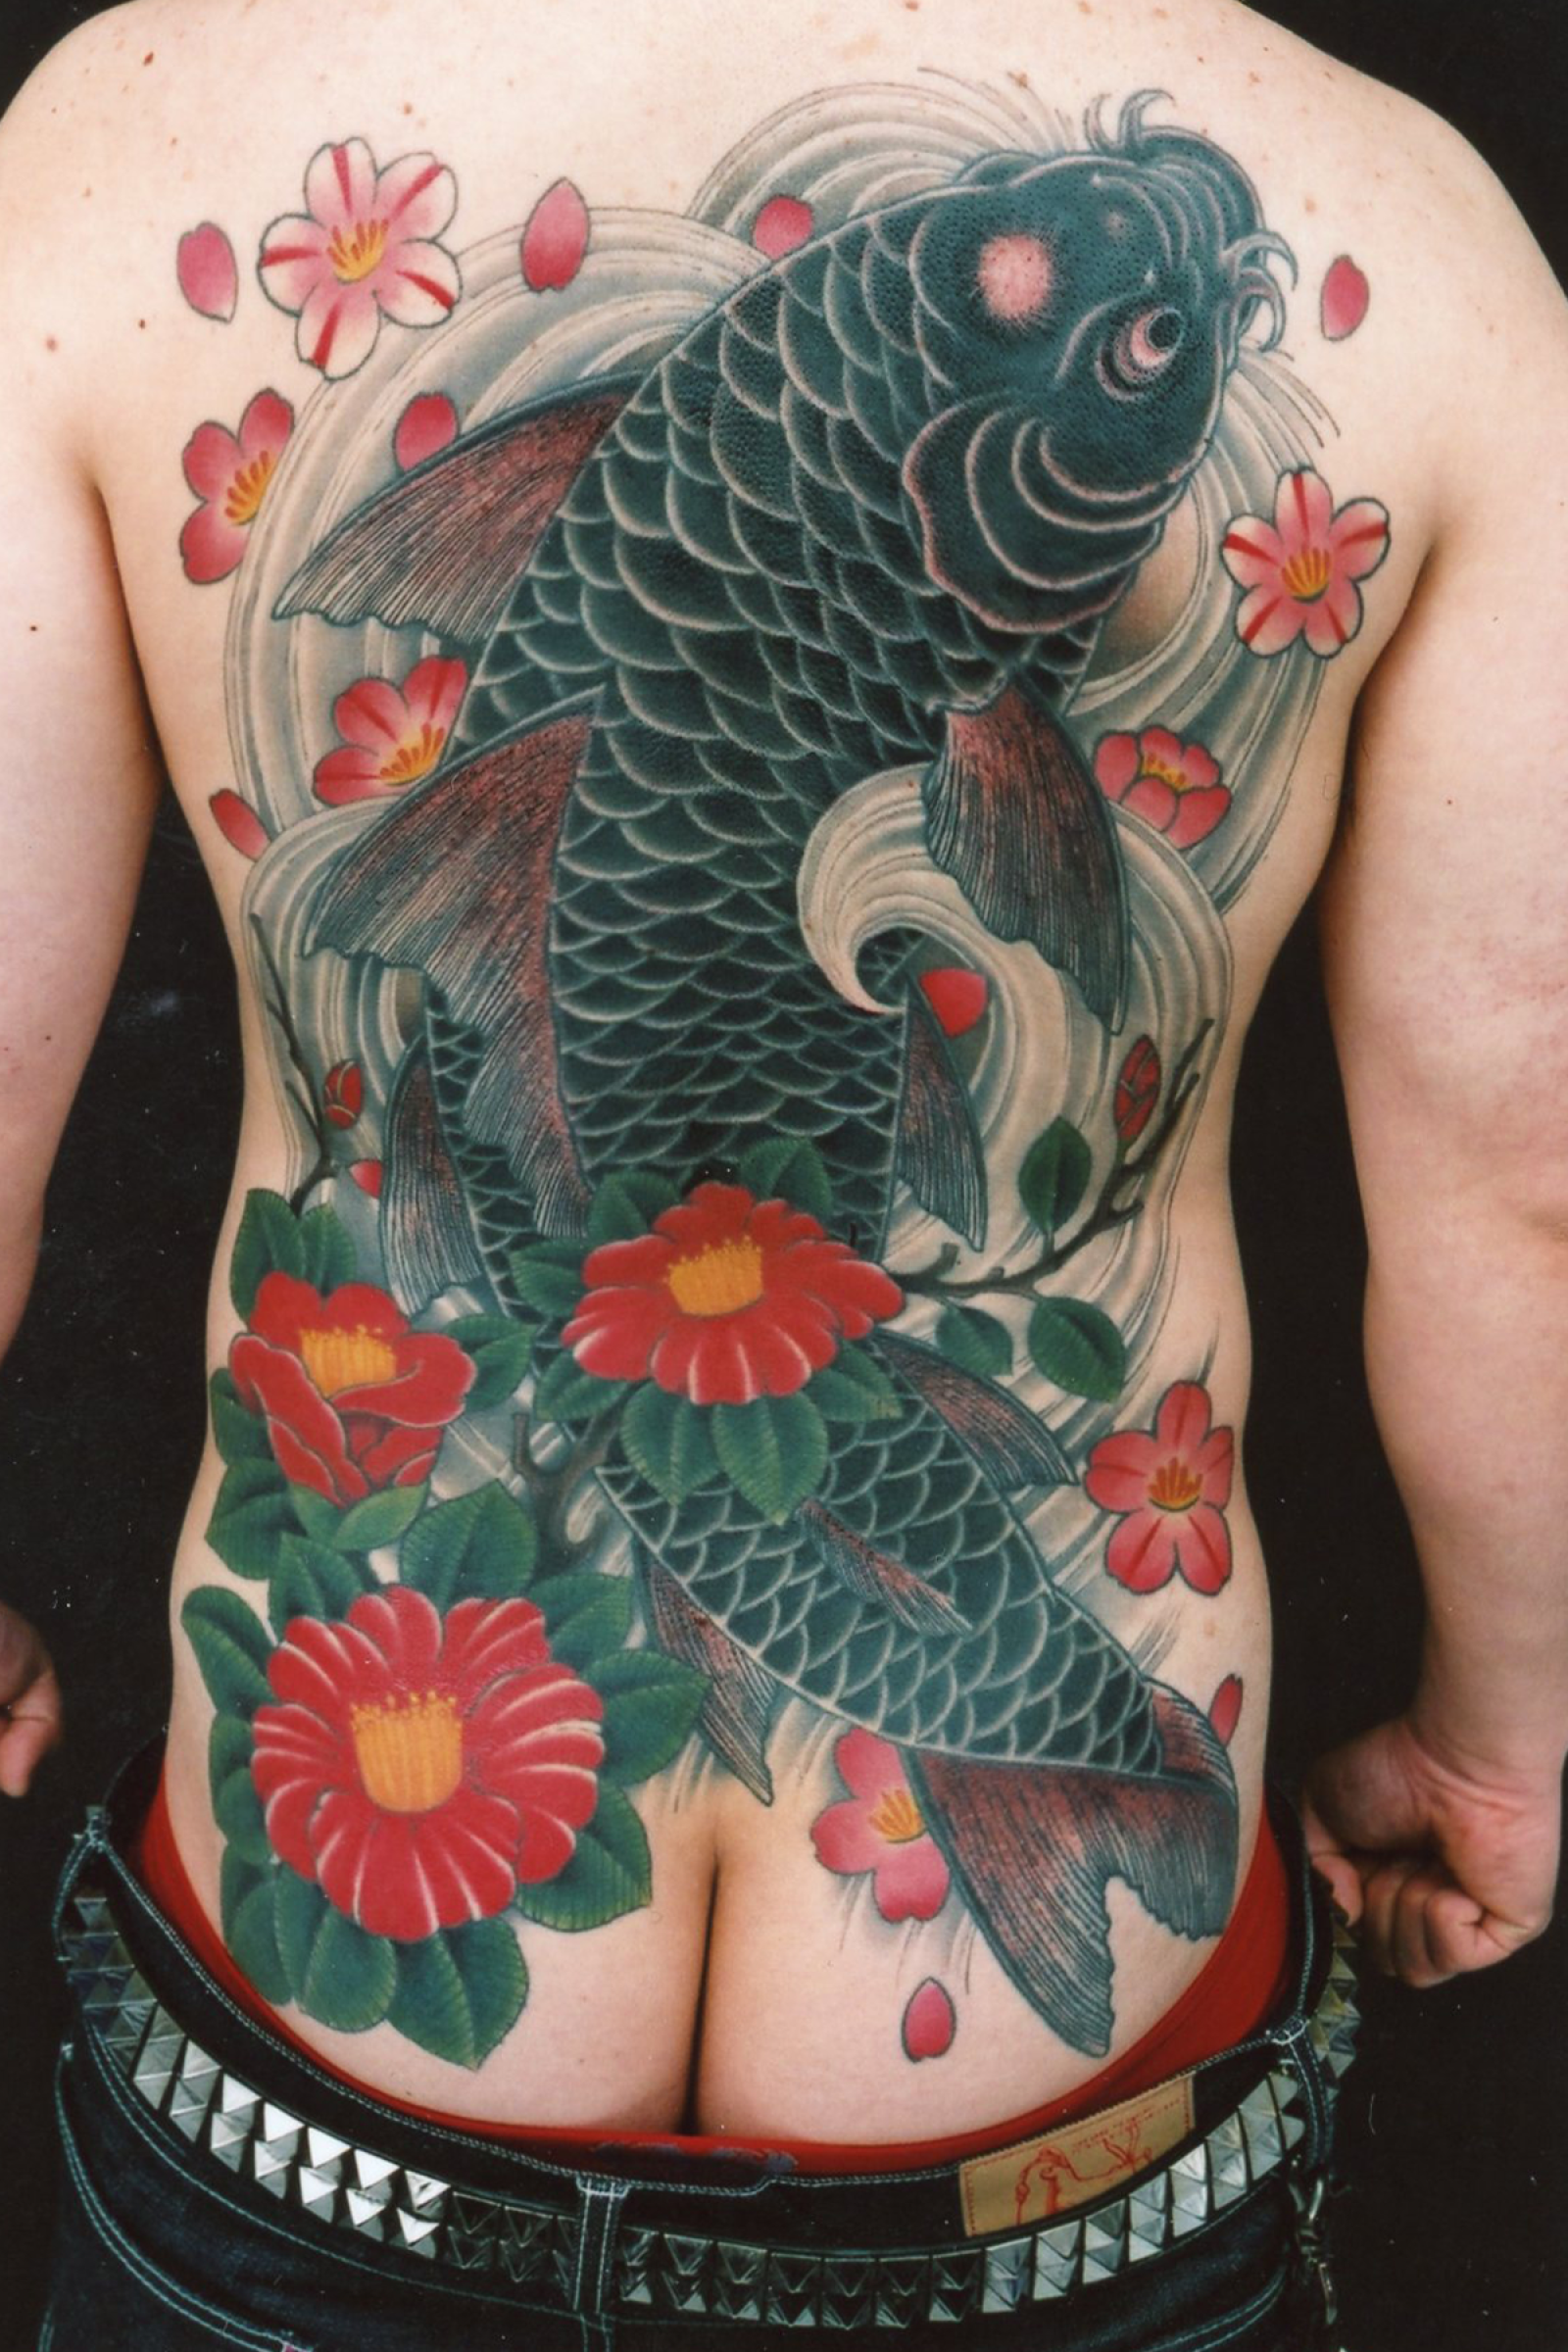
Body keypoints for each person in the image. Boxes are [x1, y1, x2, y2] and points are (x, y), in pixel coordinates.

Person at [1, 0, 1564, 2344]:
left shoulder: (124, 136)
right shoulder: (1430, 241)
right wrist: (1490, 1742)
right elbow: (1524, 1185)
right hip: (1045, 2144)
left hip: (328, 2054)